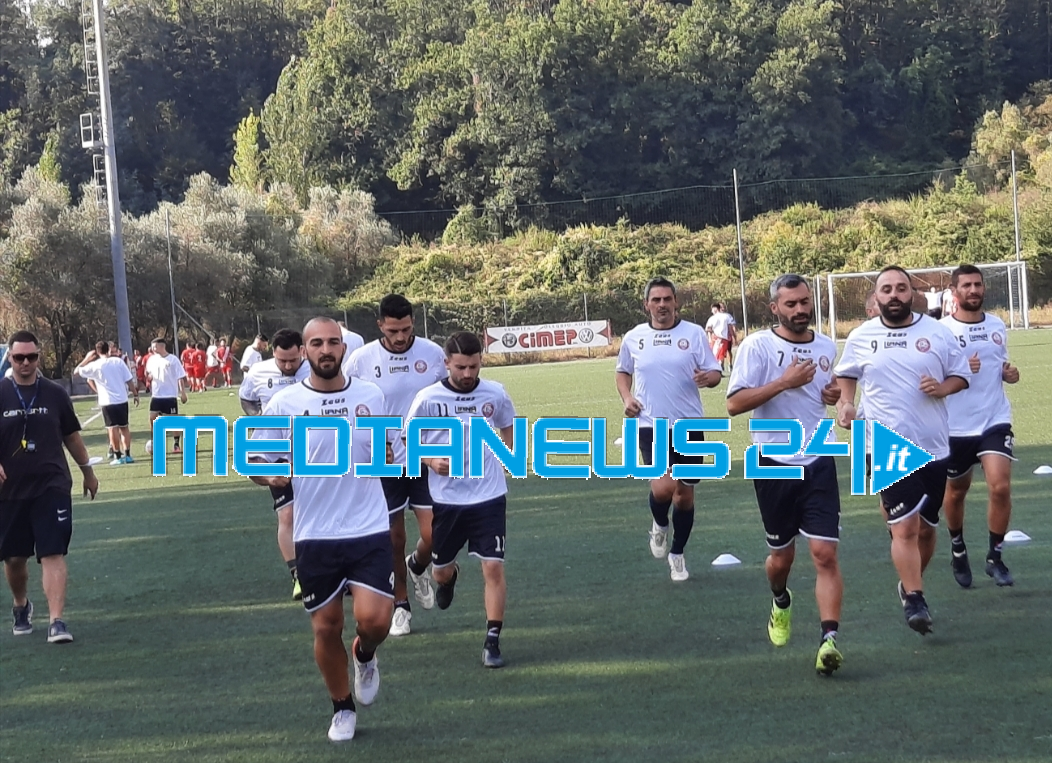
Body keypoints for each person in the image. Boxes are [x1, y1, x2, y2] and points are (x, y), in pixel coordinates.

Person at [248, 317, 391, 742]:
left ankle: (365, 654)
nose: (325, 350)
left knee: (375, 622)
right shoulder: (285, 404)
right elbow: (255, 461)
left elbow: (393, 449)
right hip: (314, 534)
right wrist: (268, 476)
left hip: (368, 527)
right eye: (317, 343)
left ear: (343, 348)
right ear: (304, 351)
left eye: (332, 342)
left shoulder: (371, 396)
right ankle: (342, 707)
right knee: (326, 627)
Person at [834, 266, 970, 636]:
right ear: (876, 297)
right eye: (886, 289)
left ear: (912, 293)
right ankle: (915, 598)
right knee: (906, 526)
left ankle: (908, 582)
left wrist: (942, 388)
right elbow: (846, 374)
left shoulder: (937, 332)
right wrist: (846, 403)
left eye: (901, 288)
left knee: (926, 530)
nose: (894, 294)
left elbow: (960, 375)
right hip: (882, 442)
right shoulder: (862, 335)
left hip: (934, 445)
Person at [726, 275, 845, 675]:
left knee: (824, 553)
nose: (800, 309)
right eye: (790, 304)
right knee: (781, 559)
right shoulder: (757, 346)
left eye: (804, 302)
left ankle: (829, 640)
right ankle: (780, 599)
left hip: (819, 459)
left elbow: (830, 392)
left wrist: (833, 395)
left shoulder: (826, 346)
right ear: (774, 308)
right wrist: (783, 382)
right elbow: (734, 404)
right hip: (773, 463)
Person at [403, 331, 516, 668]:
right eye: (461, 367)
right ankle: (446, 578)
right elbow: (407, 438)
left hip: (489, 495)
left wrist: (507, 453)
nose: (468, 374)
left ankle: (492, 640)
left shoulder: (495, 393)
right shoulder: (428, 398)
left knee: (493, 567)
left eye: (474, 366)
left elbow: (508, 423)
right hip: (447, 498)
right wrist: (430, 460)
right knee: (440, 572)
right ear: (446, 363)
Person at [347, 295, 448, 637]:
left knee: (435, 535)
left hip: (425, 453)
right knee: (393, 537)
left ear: (412, 322)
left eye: (406, 329)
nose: (401, 336)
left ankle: (417, 566)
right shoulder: (361, 360)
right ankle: (400, 604)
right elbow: (347, 404)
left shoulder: (432, 354)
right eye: (393, 331)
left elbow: (449, 397)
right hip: (383, 457)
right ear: (380, 325)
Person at [616, 277, 723, 581]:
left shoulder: (693, 333)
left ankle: (677, 554)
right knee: (663, 488)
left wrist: (709, 378)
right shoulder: (634, 337)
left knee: (684, 496)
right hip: (651, 424)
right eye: (656, 300)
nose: (662, 304)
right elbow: (623, 372)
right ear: (646, 305)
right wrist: (627, 397)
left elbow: (715, 372)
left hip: (689, 425)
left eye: (667, 299)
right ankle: (660, 524)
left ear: (676, 302)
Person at [1, 330, 99, 644]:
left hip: (51, 485)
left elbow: (71, 436)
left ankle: (56, 621)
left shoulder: (55, 394)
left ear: (38, 357)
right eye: (19, 357)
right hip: (9, 490)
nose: (25, 362)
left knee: (52, 552)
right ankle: (21, 604)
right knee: (15, 559)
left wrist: (87, 471)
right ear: (10, 358)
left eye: (31, 357)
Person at [939, 264, 1021, 588]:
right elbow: (929, 377)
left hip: (994, 419)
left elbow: (1000, 364)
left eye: (977, 284)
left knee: (1000, 486)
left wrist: (1008, 374)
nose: (973, 290)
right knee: (956, 491)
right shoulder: (940, 332)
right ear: (954, 292)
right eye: (967, 285)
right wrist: (960, 368)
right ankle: (957, 548)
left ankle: (994, 557)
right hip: (955, 426)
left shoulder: (997, 325)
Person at [238, 328, 311, 600]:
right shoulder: (258, 372)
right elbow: (246, 398)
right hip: (277, 453)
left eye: (293, 360)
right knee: (287, 515)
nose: (288, 366)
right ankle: (298, 575)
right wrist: (259, 418)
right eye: (283, 361)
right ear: (273, 353)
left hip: (315, 453)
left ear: (302, 351)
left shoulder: (316, 370)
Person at [73, 341, 139, 465]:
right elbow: (129, 380)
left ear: (97, 352)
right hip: (122, 400)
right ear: (108, 349)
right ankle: (128, 455)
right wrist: (135, 394)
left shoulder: (95, 365)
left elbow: (76, 372)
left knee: (112, 429)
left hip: (107, 401)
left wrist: (87, 359)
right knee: (124, 427)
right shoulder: (118, 362)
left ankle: (118, 456)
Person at [145, 339, 189, 454]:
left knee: (173, 421)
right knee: (152, 418)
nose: (153, 349)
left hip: (170, 395)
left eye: (154, 347)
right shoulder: (151, 359)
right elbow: (148, 373)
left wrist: (183, 392)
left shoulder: (173, 360)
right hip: (156, 395)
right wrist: (149, 377)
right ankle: (156, 442)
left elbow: (180, 377)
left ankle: (176, 444)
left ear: (161, 346)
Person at [705, 303, 736, 372]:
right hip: (724, 339)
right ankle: (718, 369)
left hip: (715, 338)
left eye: (712, 309)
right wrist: (734, 336)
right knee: (720, 356)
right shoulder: (726, 316)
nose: (711, 311)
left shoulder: (712, 318)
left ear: (715, 309)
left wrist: (711, 334)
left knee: (716, 355)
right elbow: (730, 328)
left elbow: (708, 328)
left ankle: (717, 370)